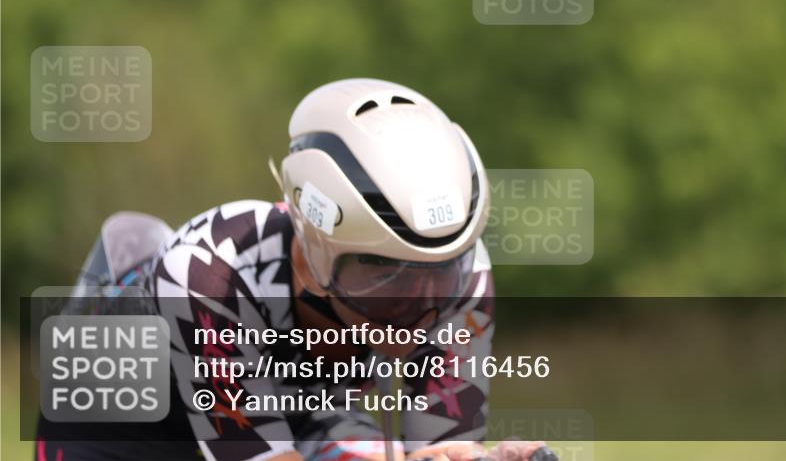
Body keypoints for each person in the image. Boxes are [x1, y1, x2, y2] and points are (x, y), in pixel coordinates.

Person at [36, 79, 555, 461]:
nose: (422, 313)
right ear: (311, 246)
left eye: (442, 275)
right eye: (383, 274)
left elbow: (439, 450)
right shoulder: (213, 270)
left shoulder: (466, 277)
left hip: (302, 418)